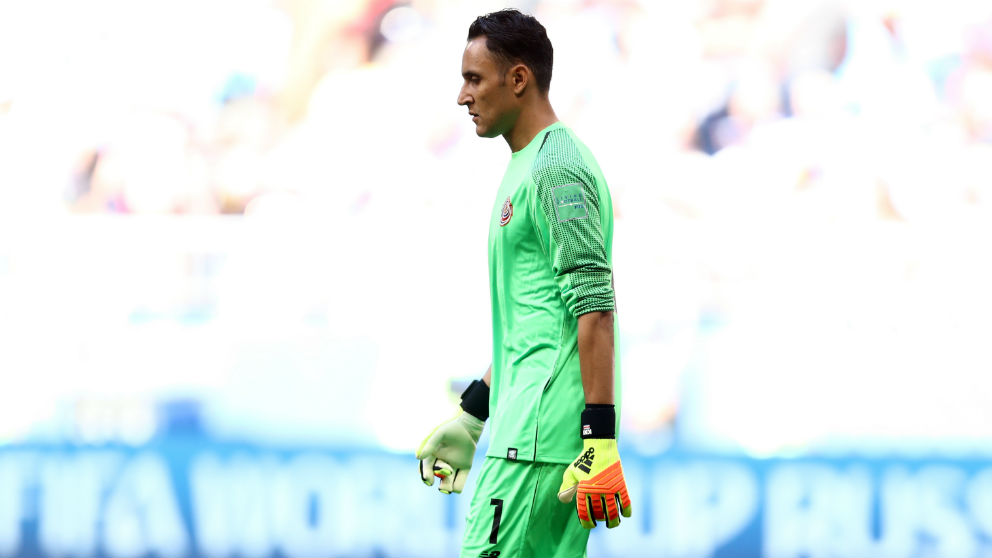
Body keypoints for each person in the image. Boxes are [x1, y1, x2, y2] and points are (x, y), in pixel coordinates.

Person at [416, 8, 631, 558]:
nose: (463, 96)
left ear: (518, 79)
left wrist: (598, 439)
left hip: (537, 449)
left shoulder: (556, 167)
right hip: (525, 439)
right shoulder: (524, 164)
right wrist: (473, 413)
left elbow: (594, 306)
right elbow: (536, 321)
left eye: (473, 79)